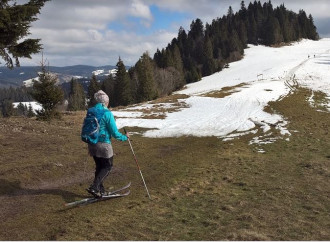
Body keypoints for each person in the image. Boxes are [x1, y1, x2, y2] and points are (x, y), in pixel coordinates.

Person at [86, 90, 129, 198]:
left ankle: (100, 190)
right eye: (108, 101)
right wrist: (125, 137)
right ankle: (95, 187)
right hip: (103, 144)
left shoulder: (91, 111)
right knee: (107, 166)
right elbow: (114, 133)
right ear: (105, 102)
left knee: (100, 167)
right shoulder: (107, 113)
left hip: (92, 143)